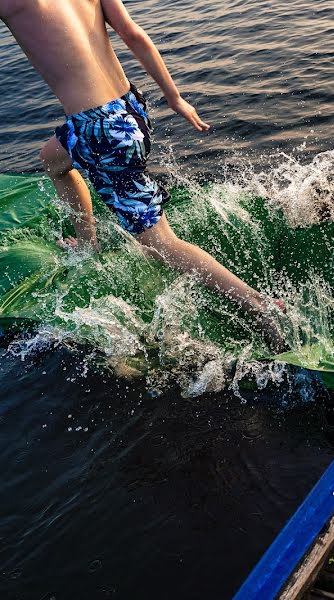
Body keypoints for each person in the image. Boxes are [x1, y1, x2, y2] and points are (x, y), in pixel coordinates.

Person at [0, 0, 287, 350]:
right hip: (129, 107)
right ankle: (88, 244)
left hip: (101, 130)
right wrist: (175, 98)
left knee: (159, 243)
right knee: (53, 160)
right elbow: (133, 34)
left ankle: (257, 303)